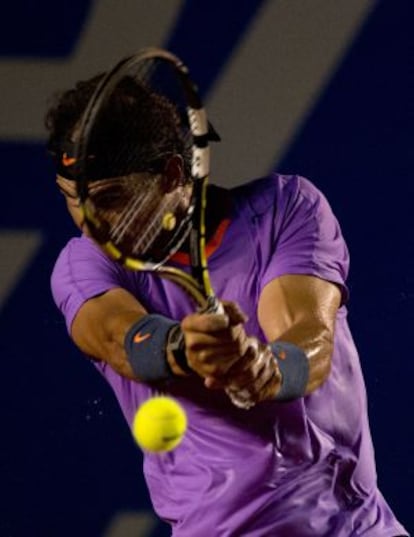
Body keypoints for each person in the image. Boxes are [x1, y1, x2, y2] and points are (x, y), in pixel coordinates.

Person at [45, 72, 409, 537]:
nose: (89, 224)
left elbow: (309, 336)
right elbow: (118, 337)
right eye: (71, 200)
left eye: (109, 199)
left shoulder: (287, 207)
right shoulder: (85, 264)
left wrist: (269, 370)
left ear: (174, 175)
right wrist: (181, 347)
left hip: (363, 526)